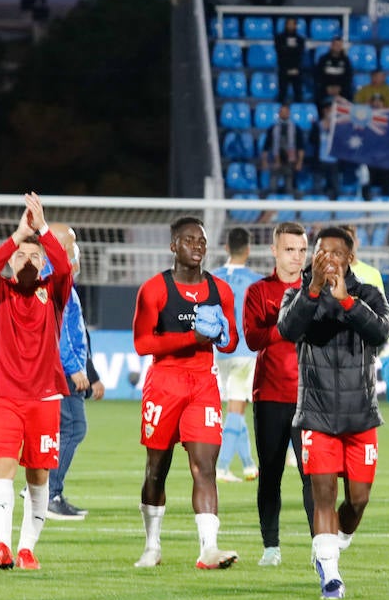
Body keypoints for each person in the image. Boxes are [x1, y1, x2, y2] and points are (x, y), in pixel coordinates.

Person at [276, 227, 389, 599]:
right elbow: (288, 330)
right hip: (317, 414)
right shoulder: (298, 294)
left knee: (357, 500)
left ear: (349, 259)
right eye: (321, 253)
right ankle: (330, 574)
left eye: (335, 254)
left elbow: (381, 334)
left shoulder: (369, 294)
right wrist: (313, 292)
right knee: (322, 493)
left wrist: (346, 302)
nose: (328, 260)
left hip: (361, 417)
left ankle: (332, 547)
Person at [131, 215, 241, 571]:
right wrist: (191, 338)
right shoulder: (154, 289)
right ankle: (152, 545)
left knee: (204, 466)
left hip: (203, 384)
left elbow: (231, 342)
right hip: (164, 384)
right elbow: (143, 342)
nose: (197, 247)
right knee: (156, 470)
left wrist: (224, 335)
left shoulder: (220, 290)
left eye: (203, 241)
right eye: (190, 240)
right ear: (173, 246)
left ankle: (209, 549)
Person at [0, 194, 73, 571]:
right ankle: (1, 544)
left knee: (38, 475)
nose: (29, 260)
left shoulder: (54, 293)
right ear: (11, 265)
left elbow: (65, 270)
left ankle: (27, 548)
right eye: (21, 256)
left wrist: (43, 229)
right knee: (3, 468)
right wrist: (18, 235)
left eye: (36, 256)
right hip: (4, 395)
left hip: (45, 398)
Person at [243, 221, 316, 566]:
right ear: (274, 251)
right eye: (290, 249)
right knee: (270, 473)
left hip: (311, 397)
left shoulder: (318, 291)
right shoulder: (258, 292)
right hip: (270, 396)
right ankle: (270, 546)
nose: (297, 257)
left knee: (314, 475)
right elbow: (253, 338)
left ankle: (321, 545)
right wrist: (287, 325)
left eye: (302, 250)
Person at [47, 222, 102, 519]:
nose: (76, 250)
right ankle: (49, 493)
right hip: (62, 369)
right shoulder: (59, 279)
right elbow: (62, 330)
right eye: (72, 245)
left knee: (56, 429)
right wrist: (75, 367)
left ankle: (42, 489)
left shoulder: (50, 277)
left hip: (54, 368)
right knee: (73, 428)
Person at [213, 227, 263, 483]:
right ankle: (221, 467)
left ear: (225, 249)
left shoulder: (213, 277)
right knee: (237, 407)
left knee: (235, 405)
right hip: (245, 352)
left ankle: (248, 465)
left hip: (221, 352)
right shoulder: (257, 281)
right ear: (249, 249)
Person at [274, 16, 306, 104]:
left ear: (295, 26)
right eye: (289, 24)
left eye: (293, 24)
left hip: (296, 69)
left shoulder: (300, 39)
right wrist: (292, 50)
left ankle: (298, 112)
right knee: (282, 93)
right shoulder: (279, 38)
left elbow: (299, 53)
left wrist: (287, 49)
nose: (291, 26)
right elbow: (280, 52)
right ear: (286, 25)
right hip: (283, 69)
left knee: (298, 94)